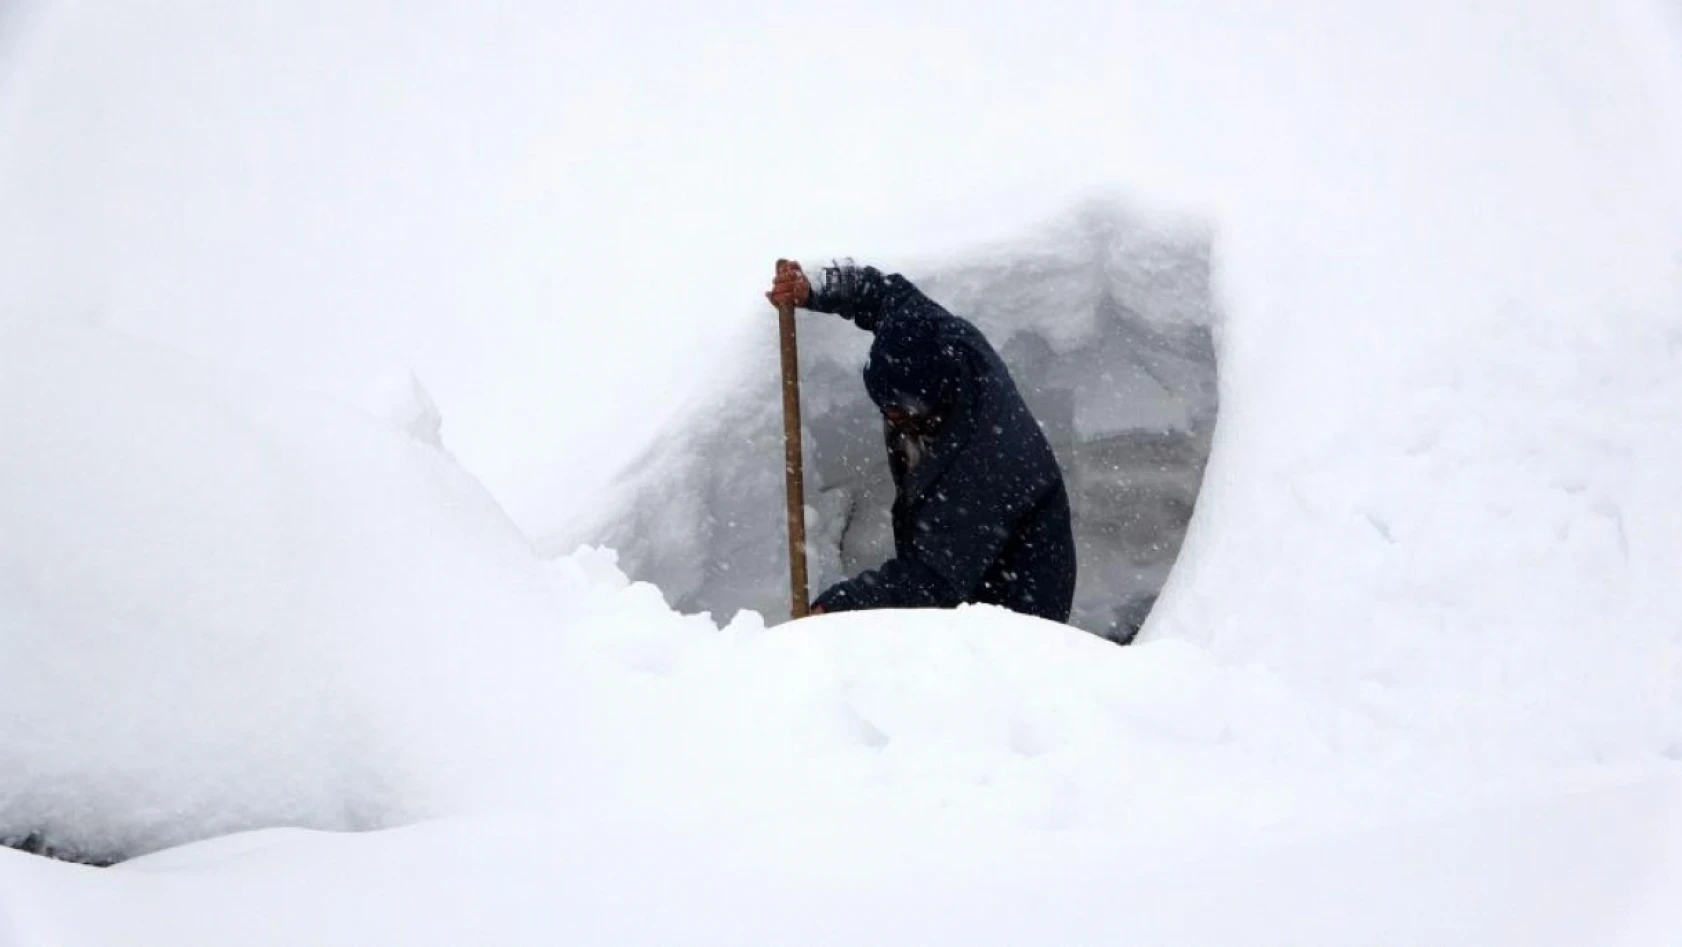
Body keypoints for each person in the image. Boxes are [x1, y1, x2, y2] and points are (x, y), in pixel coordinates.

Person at [766, 259, 1076, 623]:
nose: (890, 418)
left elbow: (934, 580)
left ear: (932, 400)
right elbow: (886, 295)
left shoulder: (984, 465)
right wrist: (818, 287)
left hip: (1020, 608)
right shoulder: (942, 339)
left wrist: (838, 606)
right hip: (974, 556)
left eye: (900, 412)